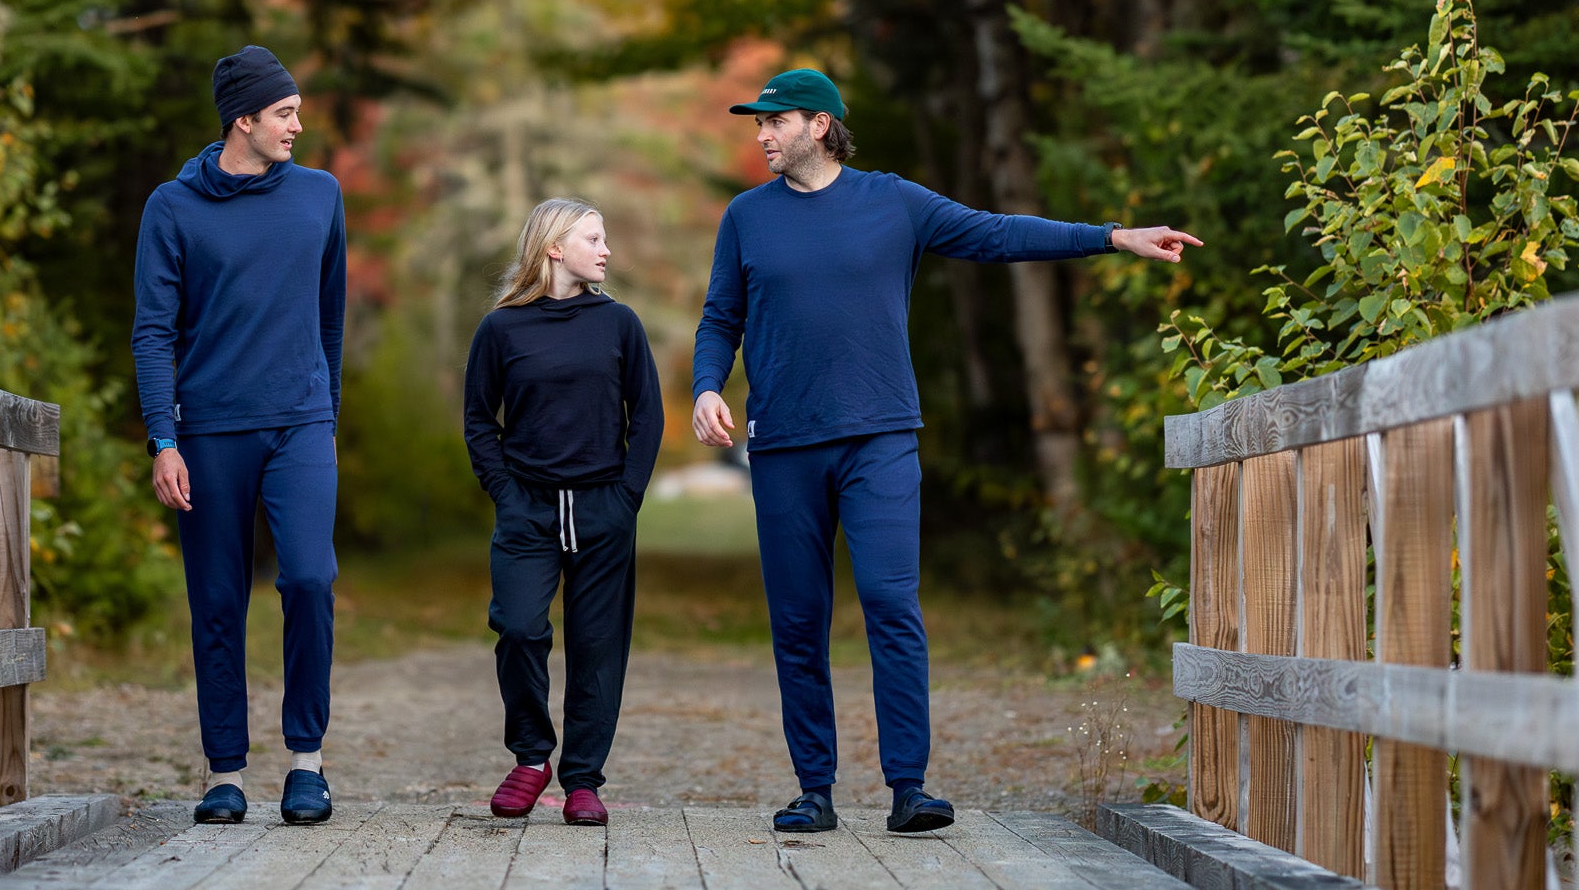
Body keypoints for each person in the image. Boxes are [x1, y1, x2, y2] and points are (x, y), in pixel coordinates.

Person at [690, 68, 1200, 836]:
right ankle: (814, 791)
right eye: (758, 123)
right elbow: (720, 315)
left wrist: (1112, 237)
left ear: (820, 126)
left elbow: (995, 234)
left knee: (893, 607)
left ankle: (909, 789)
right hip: (786, 446)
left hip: (881, 440)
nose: (761, 134)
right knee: (799, 620)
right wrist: (705, 385)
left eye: (775, 121)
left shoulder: (892, 200)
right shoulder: (746, 217)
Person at [132, 44, 347, 828]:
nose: (298, 124)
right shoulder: (173, 208)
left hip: (300, 423)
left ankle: (306, 763)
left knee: (308, 580)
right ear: (243, 119)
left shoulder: (320, 196)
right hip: (209, 431)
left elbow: (331, 316)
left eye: (296, 110)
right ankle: (224, 772)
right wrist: (164, 439)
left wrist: (326, 406)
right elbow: (153, 332)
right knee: (217, 599)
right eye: (284, 113)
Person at [463, 199, 664, 828]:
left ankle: (582, 779)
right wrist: (505, 491)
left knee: (598, 646)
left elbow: (648, 415)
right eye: (594, 238)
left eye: (606, 239)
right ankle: (530, 757)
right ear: (554, 247)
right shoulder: (501, 329)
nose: (606, 250)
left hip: (604, 508)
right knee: (519, 627)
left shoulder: (620, 323)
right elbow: (478, 419)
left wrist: (626, 498)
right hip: (527, 512)